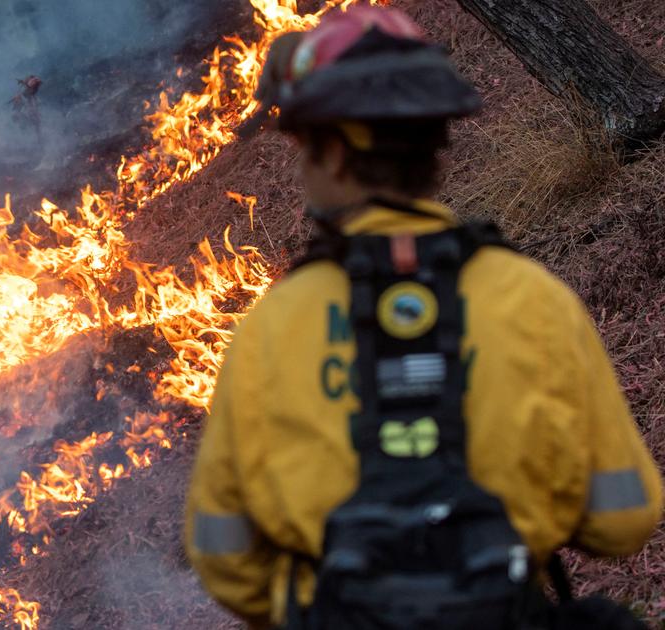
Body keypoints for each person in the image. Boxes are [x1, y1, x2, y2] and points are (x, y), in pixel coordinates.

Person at [185, 6, 662, 629]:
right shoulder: (531, 299)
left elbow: (223, 554)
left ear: (332, 152)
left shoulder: (272, 329)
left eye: (302, 146)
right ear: (434, 141)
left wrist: (313, 606)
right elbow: (623, 516)